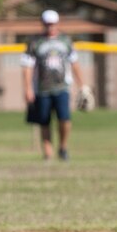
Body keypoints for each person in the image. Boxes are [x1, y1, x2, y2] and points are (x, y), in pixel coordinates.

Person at [21, 9, 85, 161]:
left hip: (62, 87)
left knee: (65, 118)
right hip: (42, 88)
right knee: (44, 121)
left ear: (57, 24)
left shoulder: (65, 41)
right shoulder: (35, 42)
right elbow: (27, 67)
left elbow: (74, 63)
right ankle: (48, 152)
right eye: (47, 24)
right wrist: (28, 88)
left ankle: (63, 147)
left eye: (53, 24)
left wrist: (82, 85)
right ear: (43, 24)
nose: (50, 27)